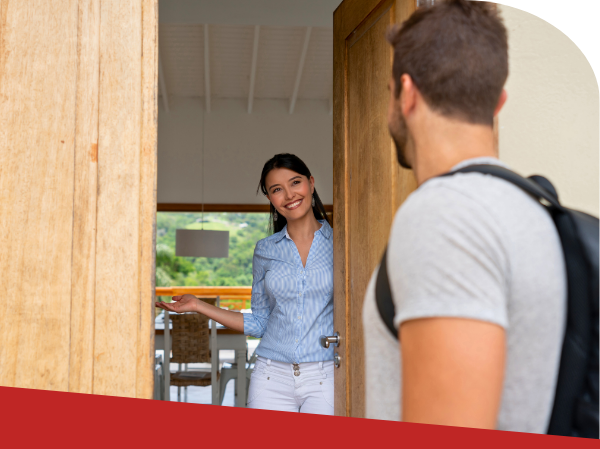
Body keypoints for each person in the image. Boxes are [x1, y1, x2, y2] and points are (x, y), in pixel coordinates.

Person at [362, 0, 566, 433]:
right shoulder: (531, 208)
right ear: (499, 102)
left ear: (407, 93)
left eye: (388, 95)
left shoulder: (444, 217)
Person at [156, 153, 335, 414]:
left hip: (324, 375)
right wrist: (197, 305)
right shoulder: (265, 249)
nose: (289, 195)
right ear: (270, 199)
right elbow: (260, 322)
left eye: (295, 183)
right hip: (271, 377)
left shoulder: (342, 243)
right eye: (277, 189)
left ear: (311, 182)